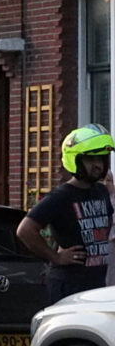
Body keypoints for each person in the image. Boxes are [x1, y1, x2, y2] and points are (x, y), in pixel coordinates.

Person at [17, 124, 114, 304]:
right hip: (68, 285)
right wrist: (56, 257)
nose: (98, 165)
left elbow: (105, 226)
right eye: (91, 160)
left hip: (96, 284)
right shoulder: (61, 196)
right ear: (75, 160)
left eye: (101, 159)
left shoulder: (101, 191)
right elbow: (25, 229)